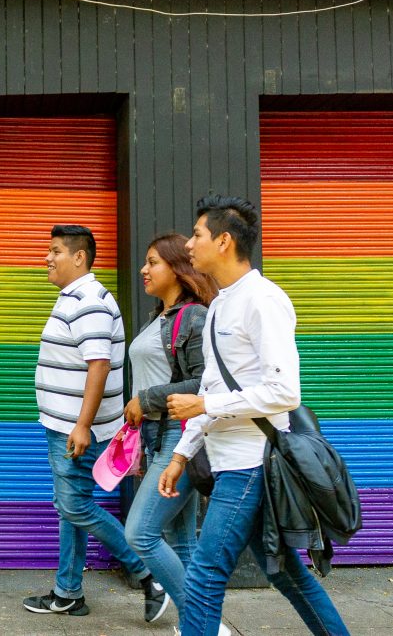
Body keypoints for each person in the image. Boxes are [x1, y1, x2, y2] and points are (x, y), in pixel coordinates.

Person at [160, 196, 350, 636]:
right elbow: (212, 385)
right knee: (283, 572)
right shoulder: (221, 304)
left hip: (251, 461)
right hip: (226, 458)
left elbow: (284, 392)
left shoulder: (264, 300)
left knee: (204, 577)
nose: (189, 244)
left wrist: (206, 407)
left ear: (224, 241)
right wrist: (183, 453)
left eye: (198, 235)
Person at [23, 224, 160, 619]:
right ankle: (68, 591)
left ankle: (150, 573)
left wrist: (81, 426)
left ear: (79, 257)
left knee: (74, 506)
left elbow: (97, 364)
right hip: (65, 425)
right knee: (72, 507)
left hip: (74, 429)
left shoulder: (89, 300)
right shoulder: (75, 297)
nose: (47, 258)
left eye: (55, 251)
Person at [121, 233, 217, 624]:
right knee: (182, 542)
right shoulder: (158, 317)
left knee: (140, 534)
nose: (144, 269)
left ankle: (202, 625)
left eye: (153, 262)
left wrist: (146, 399)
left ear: (178, 269)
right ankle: (203, 627)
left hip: (180, 438)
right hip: (159, 436)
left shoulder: (193, 316)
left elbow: (206, 383)